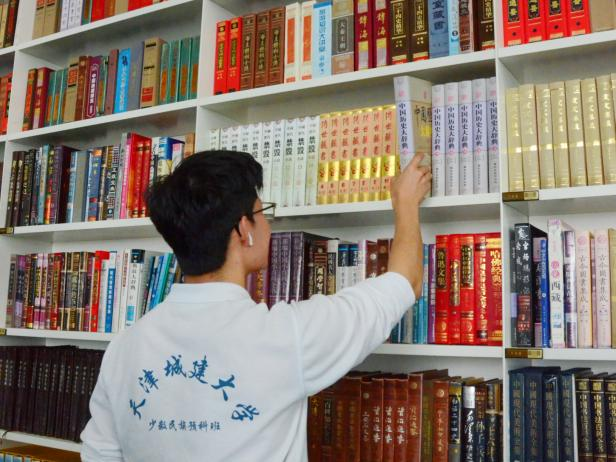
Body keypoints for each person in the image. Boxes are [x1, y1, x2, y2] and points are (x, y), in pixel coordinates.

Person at [80, 150, 431, 461]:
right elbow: (405, 282)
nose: (268, 225)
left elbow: (100, 454)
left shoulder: (124, 348)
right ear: (243, 229)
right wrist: (405, 204)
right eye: (263, 213)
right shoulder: (288, 336)